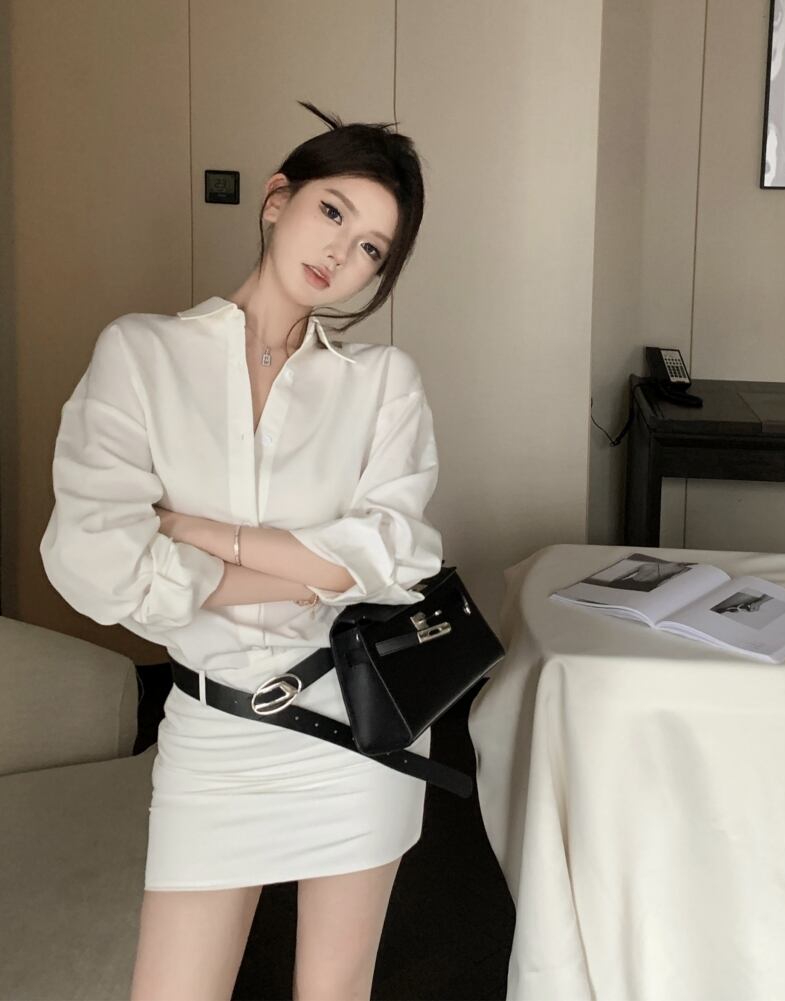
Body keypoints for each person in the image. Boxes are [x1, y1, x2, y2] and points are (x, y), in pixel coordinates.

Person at [40, 101, 443, 1001]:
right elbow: (91, 557)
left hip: (357, 730)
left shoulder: (383, 383)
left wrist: (197, 533)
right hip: (213, 728)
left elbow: (395, 554)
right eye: (332, 210)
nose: (340, 253)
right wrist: (306, 575)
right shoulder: (141, 354)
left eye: (371, 248)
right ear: (276, 198)